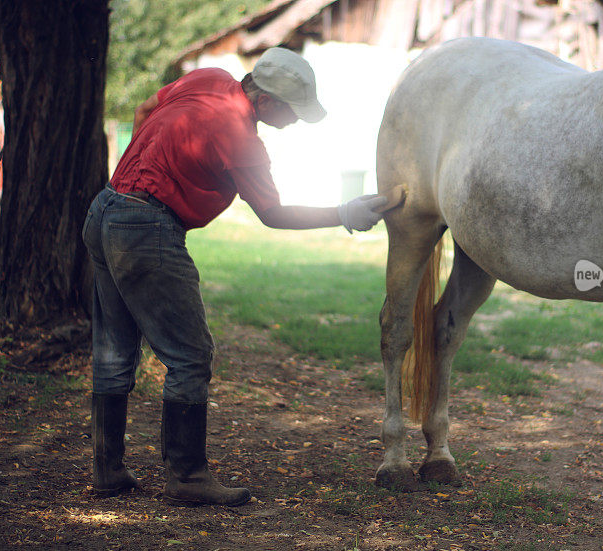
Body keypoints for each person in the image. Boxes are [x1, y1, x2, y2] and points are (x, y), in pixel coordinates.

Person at [82, 47, 387, 506]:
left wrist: (147, 163)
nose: (296, 121)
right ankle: (186, 477)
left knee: (114, 348)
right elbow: (273, 214)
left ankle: (108, 470)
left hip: (105, 208)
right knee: (189, 355)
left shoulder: (205, 79)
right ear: (264, 102)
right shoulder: (242, 138)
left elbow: (149, 108)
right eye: (292, 112)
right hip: (146, 228)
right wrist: (345, 211)